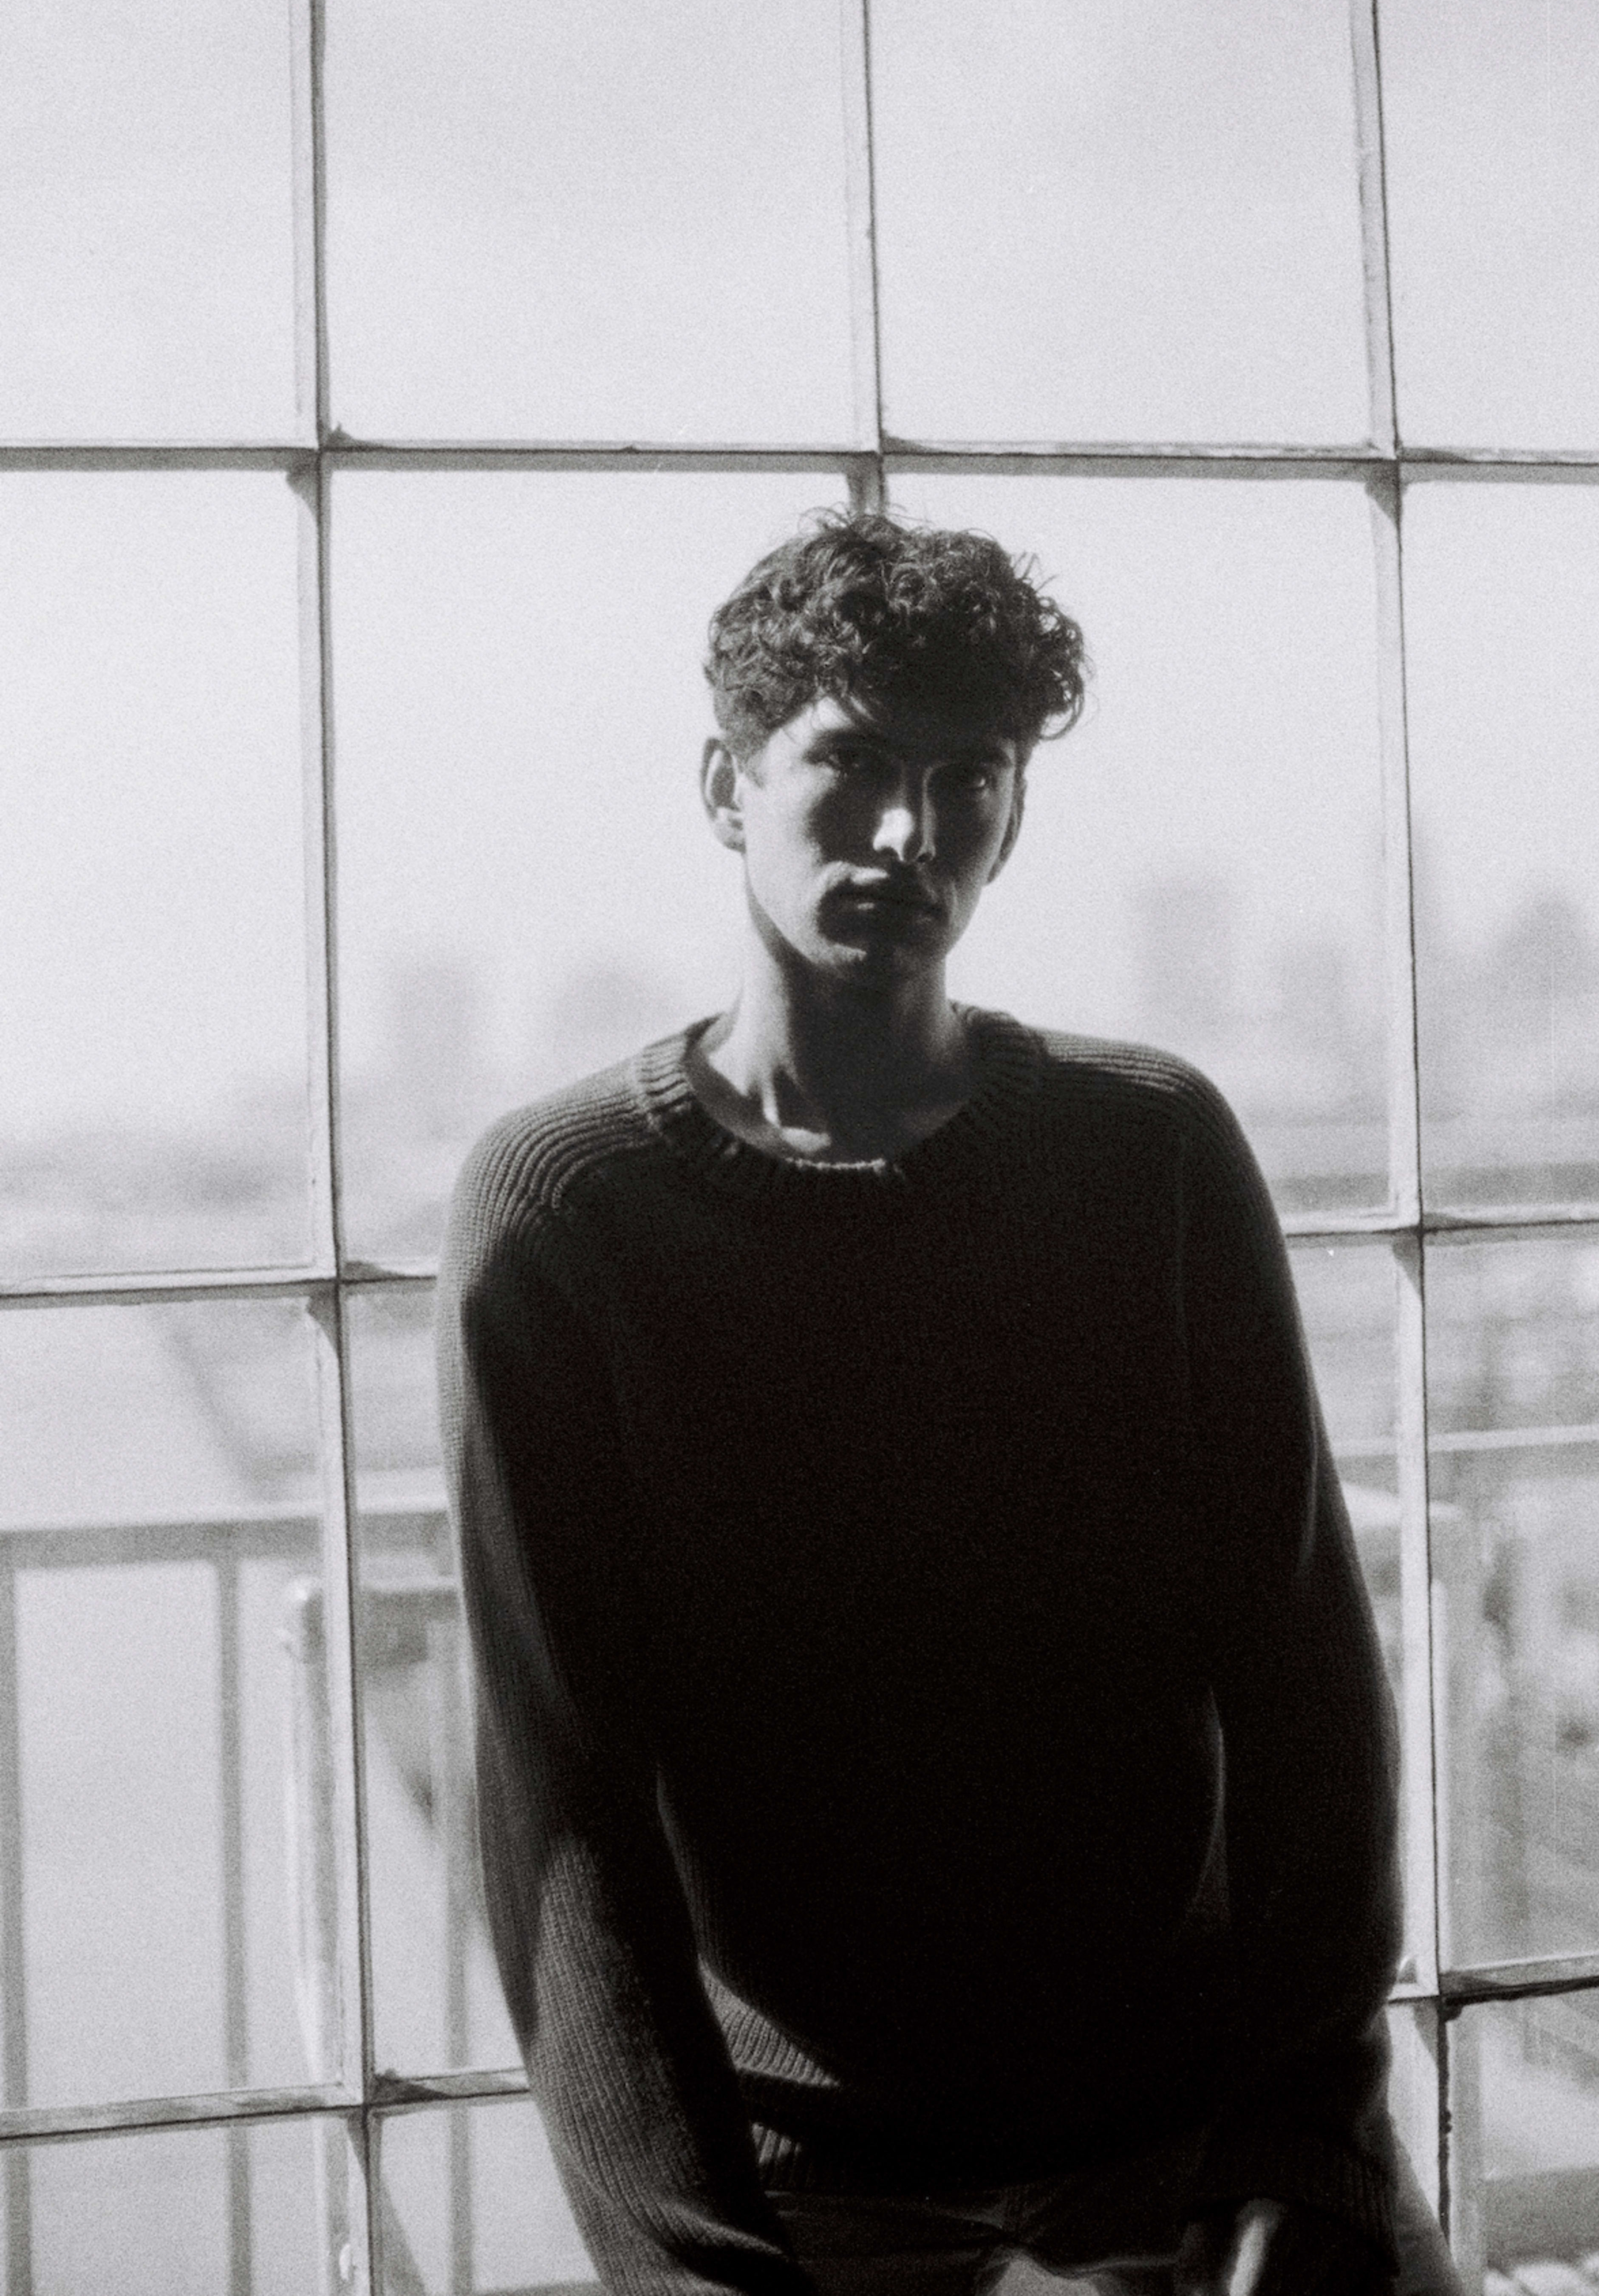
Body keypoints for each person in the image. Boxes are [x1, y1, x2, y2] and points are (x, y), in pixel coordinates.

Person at [437, 512, 1460, 2296]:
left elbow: (1303, 1671)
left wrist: (1309, 2136)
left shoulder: (1148, 1150)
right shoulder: (567, 1208)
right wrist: (687, 2262)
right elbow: (557, 1790)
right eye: (849, 764)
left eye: (968, 777)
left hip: (1193, 2131)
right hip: (812, 2177)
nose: (912, 835)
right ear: (723, 782)